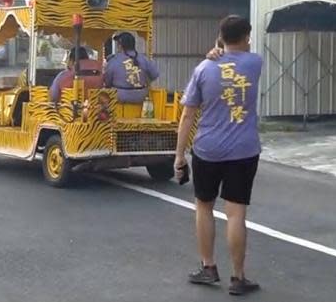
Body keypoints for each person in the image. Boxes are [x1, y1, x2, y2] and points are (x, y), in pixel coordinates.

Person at [173, 15, 264, 296]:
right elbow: (237, 51)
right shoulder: (255, 63)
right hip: (244, 149)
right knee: (236, 212)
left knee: (204, 206)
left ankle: (208, 267)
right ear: (247, 36)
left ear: (220, 37)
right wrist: (222, 46)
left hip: (207, 149)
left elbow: (188, 113)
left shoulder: (204, 68)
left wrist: (179, 156)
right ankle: (238, 278)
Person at [103, 32, 160, 103]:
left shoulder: (114, 60)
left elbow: (107, 81)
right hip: (141, 97)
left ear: (120, 46)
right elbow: (154, 75)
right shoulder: (144, 59)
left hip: (119, 97)